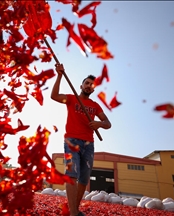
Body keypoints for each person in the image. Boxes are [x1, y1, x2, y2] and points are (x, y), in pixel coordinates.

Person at [51, 63, 111, 216]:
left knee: (84, 178)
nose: (89, 86)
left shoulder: (95, 106)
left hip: (88, 144)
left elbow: (108, 124)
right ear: (81, 85)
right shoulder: (72, 99)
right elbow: (54, 96)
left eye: (92, 85)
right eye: (87, 83)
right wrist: (59, 75)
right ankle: (72, 213)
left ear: (93, 89)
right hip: (71, 141)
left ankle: (75, 210)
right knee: (71, 174)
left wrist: (99, 123)